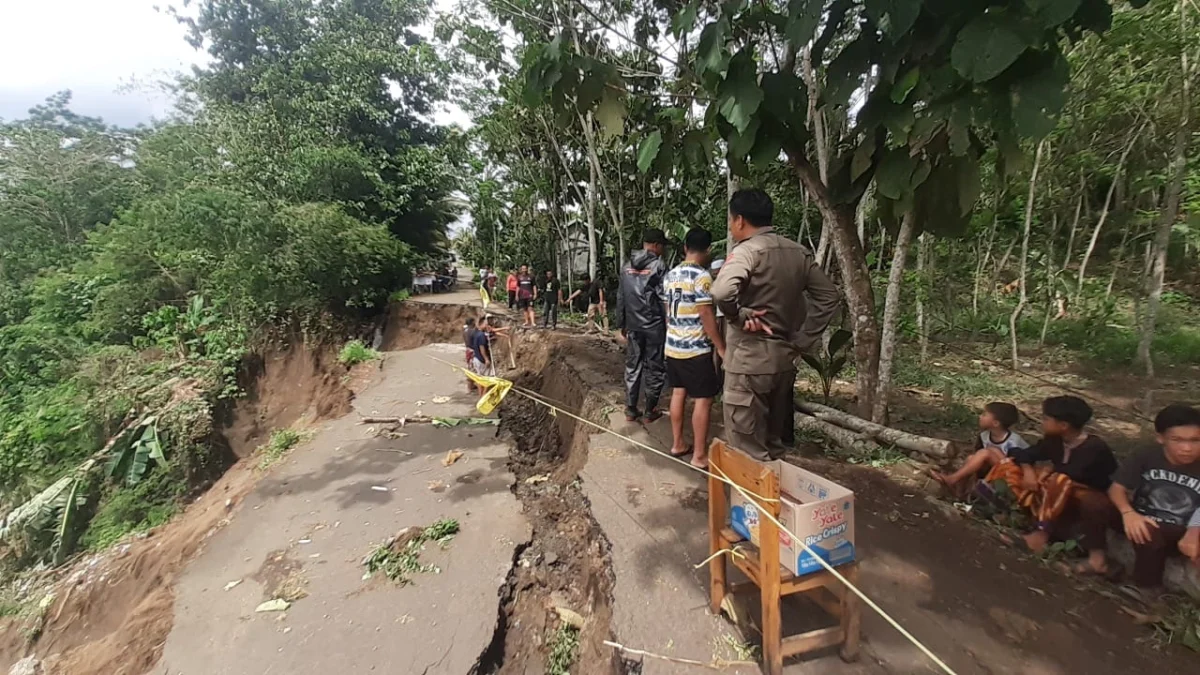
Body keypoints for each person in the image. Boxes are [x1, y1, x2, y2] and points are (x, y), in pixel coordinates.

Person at [711, 189, 840, 462]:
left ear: (740, 220)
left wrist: (737, 317)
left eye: (731, 220)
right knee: (775, 444)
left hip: (748, 364)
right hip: (784, 363)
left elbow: (722, 291)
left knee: (748, 452)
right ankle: (779, 500)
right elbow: (829, 296)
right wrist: (803, 340)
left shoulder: (747, 252)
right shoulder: (798, 253)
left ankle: (752, 504)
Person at [982, 395, 1118, 573]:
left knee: (1057, 480)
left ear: (1063, 425)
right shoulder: (1054, 441)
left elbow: (1072, 473)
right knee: (1011, 466)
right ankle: (1005, 508)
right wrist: (1029, 471)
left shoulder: (1094, 447)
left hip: (1094, 497)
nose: (1042, 421)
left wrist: (1046, 471)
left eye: (1046, 419)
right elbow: (1023, 453)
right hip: (1061, 492)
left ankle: (1042, 535)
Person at [1108, 404, 1200, 588]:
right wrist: (1128, 513)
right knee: (1094, 503)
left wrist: (1194, 530)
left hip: (1182, 527)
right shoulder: (1147, 455)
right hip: (1144, 519)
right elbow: (1116, 488)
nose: (1187, 448)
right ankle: (1147, 590)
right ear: (1161, 438)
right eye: (1177, 439)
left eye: (1195, 440)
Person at [663, 228, 726, 469]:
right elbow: (705, 313)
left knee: (678, 392)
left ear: (685, 248)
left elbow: (668, 313)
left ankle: (677, 443)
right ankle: (699, 455)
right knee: (704, 398)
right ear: (708, 250)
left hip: (673, 346)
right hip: (695, 349)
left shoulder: (670, 275)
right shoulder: (702, 277)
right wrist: (720, 346)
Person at [615, 228, 669, 422]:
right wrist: (669, 322)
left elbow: (621, 296)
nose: (663, 249)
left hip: (633, 324)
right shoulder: (659, 265)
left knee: (633, 363)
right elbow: (664, 297)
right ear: (655, 245)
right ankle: (649, 410)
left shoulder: (626, 266)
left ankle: (630, 408)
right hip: (654, 325)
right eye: (662, 245)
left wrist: (621, 322)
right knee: (654, 367)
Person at [931, 402, 1029, 498]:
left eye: (984, 415)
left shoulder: (1013, 441)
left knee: (986, 452)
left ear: (995, 423)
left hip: (1012, 477)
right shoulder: (984, 436)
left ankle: (952, 479)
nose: (980, 417)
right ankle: (959, 491)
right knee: (971, 458)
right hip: (991, 471)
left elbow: (1021, 464)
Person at [467, 315, 493, 392]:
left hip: (476, 358)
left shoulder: (476, 333)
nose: (487, 325)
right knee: (486, 380)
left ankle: (481, 397)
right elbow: (482, 348)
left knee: (479, 379)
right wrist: (486, 359)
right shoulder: (481, 335)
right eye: (486, 324)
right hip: (482, 360)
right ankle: (484, 396)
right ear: (483, 323)